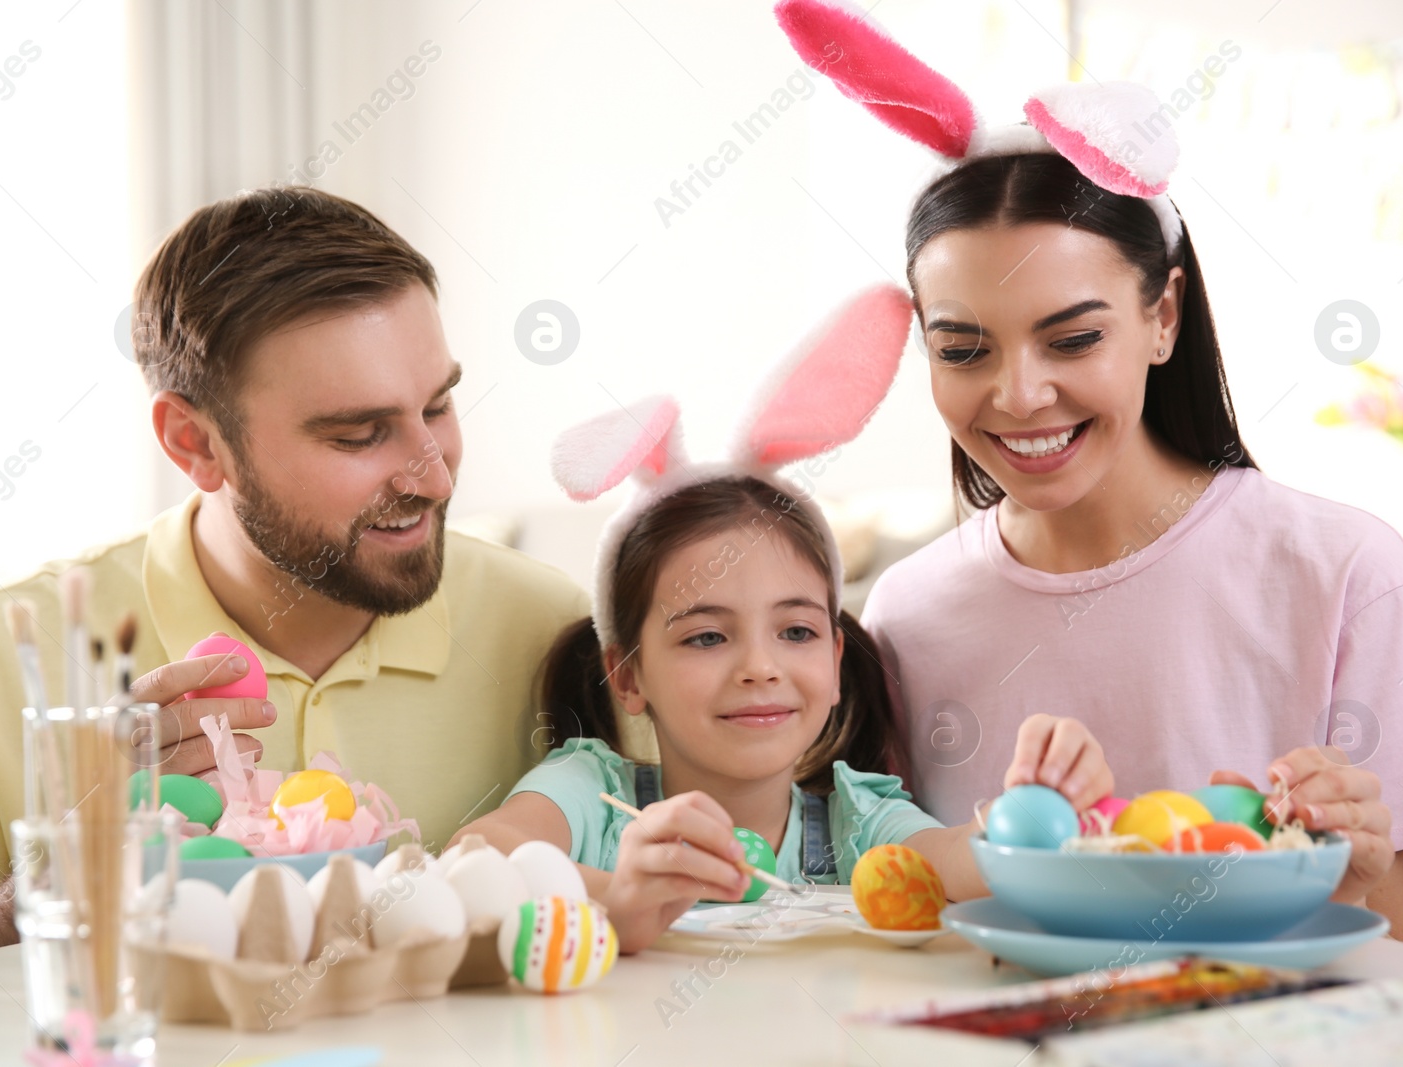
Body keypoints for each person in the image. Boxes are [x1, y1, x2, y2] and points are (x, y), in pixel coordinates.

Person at [775, 0, 1403, 946]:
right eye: (963, 349)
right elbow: (896, 920)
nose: (1020, 394)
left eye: (1073, 337)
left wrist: (1350, 877)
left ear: (1164, 314)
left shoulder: (1348, 572)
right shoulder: (907, 612)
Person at [0, 187, 587, 955]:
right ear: (196, 444)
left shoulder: (553, 629)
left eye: (439, 405)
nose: (436, 478)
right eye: (359, 434)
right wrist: (68, 867)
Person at [448, 292, 1115, 952]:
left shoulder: (860, 822)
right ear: (627, 677)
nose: (759, 667)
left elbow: (956, 861)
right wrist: (616, 903)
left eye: (795, 632)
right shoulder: (591, 794)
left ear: (832, 661)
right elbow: (476, 854)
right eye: (706, 636)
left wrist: (1036, 809)